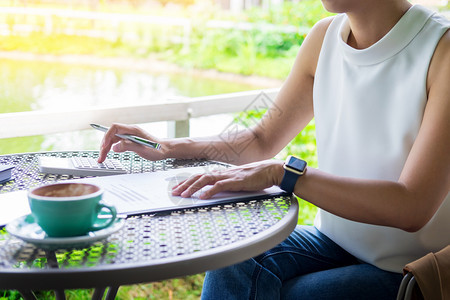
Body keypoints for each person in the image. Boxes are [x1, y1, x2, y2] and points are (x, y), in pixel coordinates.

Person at [98, 0, 450, 298]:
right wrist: (167, 146)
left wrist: (286, 174)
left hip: (412, 267)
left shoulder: (441, 49)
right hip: (334, 242)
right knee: (230, 260)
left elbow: (412, 206)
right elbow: (261, 140)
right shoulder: (323, 38)